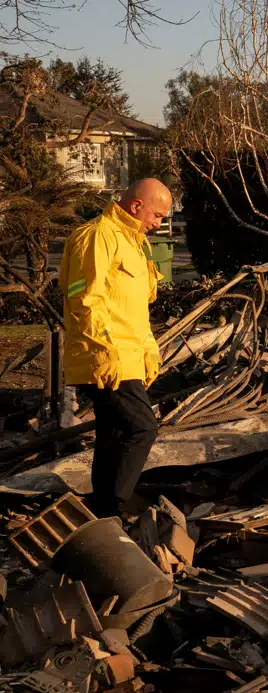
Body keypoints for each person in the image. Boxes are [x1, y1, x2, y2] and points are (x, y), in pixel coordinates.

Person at [59, 178, 172, 518]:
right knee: (142, 427)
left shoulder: (136, 245)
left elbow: (135, 310)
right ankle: (116, 510)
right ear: (136, 206)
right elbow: (84, 300)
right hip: (105, 358)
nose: (158, 224)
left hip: (127, 357)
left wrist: (149, 352)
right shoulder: (97, 236)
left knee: (113, 435)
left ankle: (103, 514)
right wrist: (104, 352)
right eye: (157, 215)